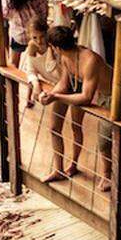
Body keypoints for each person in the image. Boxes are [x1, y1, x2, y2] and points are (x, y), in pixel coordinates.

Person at [41, 25, 121, 191]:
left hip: (118, 96)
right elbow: (64, 83)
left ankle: (109, 176)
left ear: (56, 47)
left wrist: (56, 97)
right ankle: (61, 170)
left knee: (104, 141)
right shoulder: (65, 56)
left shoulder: (90, 60)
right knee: (104, 137)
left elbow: (86, 97)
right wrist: (49, 94)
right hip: (103, 95)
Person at [25, 19, 84, 178]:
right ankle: (58, 169)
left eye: (42, 36)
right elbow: (30, 71)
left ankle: (73, 164)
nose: (39, 41)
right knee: (54, 127)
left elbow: (58, 70)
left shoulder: (57, 49)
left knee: (75, 126)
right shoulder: (31, 50)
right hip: (59, 88)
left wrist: (50, 50)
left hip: (74, 84)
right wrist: (36, 85)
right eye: (35, 37)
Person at [2, 0, 46, 68]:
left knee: (14, 62)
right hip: (38, 35)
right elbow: (44, 12)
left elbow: (5, 13)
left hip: (19, 36)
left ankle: (13, 75)